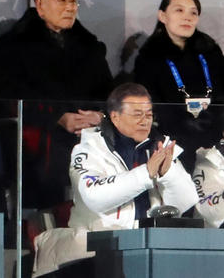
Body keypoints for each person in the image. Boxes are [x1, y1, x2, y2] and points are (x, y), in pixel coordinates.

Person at [32, 83, 199, 277]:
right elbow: (95, 196)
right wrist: (146, 173)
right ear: (115, 116)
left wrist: (168, 174)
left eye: (149, 114)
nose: (145, 121)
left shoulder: (158, 146)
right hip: (94, 255)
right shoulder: (88, 149)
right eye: (137, 114)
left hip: (148, 251)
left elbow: (186, 201)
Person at [0, 0, 113, 208]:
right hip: (38, 137)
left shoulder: (90, 46)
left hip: (89, 133)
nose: (70, 8)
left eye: (74, 1)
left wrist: (99, 116)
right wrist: (58, 118)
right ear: (40, 4)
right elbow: (7, 98)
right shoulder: (11, 47)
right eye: (62, 0)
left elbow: (108, 92)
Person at [134, 0, 224, 170]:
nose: (188, 17)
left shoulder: (210, 51)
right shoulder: (149, 57)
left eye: (193, 12)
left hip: (216, 140)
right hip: (172, 143)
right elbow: (149, 109)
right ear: (162, 16)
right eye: (179, 10)